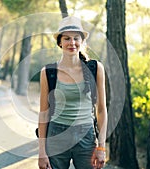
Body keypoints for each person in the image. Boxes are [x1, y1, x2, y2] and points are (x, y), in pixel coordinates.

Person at [38, 16, 108, 169]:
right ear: (60, 42)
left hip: (86, 136)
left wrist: (101, 146)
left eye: (76, 38)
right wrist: (42, 152)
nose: (72, 43)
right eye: (67, 38)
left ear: (82, 41)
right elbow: (44, 113)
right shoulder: (48, 72)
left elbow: (101, 109)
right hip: (56, 135)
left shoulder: (95, 69)